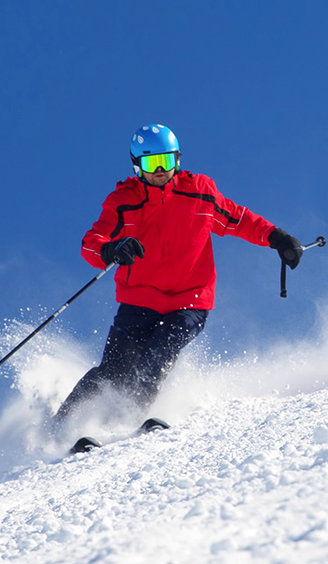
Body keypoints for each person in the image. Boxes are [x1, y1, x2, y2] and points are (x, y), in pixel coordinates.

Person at [53, 123, 302, 427]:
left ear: (177, 160)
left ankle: (124, 421)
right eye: (151, 163)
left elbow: (239, 219)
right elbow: (92, 244)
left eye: (166, 161)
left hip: (190, 299)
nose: (160, 170)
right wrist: (111, 250)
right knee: (113, 371)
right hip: (139, 299)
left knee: (159, 352)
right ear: (136, 166)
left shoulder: (199, 192)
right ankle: (58, 428)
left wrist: (277, 237)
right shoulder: (123, 202)